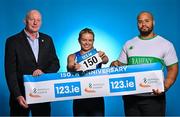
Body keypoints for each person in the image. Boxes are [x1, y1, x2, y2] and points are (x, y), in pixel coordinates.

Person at [111, 11, 178, 116]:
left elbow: (173, 68)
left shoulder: (166, 44)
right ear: (137, 24)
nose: (143, 24)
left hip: (154, 98)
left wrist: (165, 86)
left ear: (153, 23)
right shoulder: (129, 44)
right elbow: (120, 66)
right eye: (140, 21)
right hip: (131, 98)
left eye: (147, 21)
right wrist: (114, 64)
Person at [5, 9, 60, 116]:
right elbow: (10, 71)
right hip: (21, 95)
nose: (35, 23)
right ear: (25, 21)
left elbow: (55, 63)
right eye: (32, 19)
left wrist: (43, 72)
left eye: (38, 20)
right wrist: (17, 95)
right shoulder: (12, 41)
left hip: (42, 93)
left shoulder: (48, 39)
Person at [67, 28, 109, 116]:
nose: (87, 43)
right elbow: (70, 66)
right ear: (79, 40)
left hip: (96, 96)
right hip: (80, 97)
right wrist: (74, 66)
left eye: (90, 40)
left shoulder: (98, 54)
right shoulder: (73, 56)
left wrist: (102, 57)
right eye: (84, 40)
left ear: (93, 41)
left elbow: (106, 60)